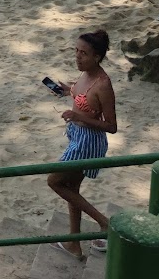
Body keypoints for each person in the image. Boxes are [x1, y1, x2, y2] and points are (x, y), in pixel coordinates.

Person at [47, 30, 116, 260]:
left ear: (97, 57)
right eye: (76, 51)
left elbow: (111, 126)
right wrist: (68, 91)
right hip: (77, 135)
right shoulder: (85, 73)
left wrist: (79, 117)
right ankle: (73, 244)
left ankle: (104, 222)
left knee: (55, 181)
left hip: (89, 142)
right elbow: (82, 96)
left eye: (83, 53)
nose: (77, 57)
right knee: (71, 188)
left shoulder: (104, 84)